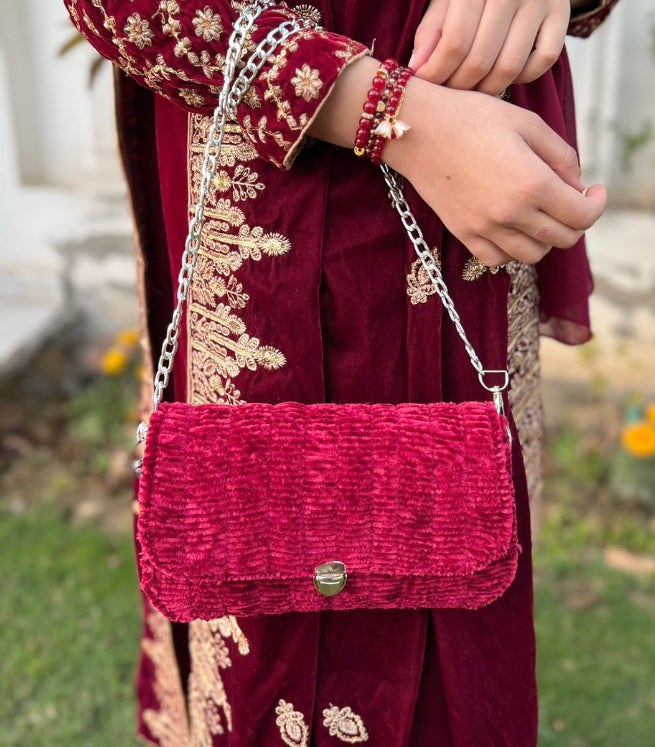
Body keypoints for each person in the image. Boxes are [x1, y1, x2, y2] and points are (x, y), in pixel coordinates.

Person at [64, 1, 620, 744]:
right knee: (259, 607)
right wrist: (390, 113)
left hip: (477, 173)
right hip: (272, 182)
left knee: (458, 584)